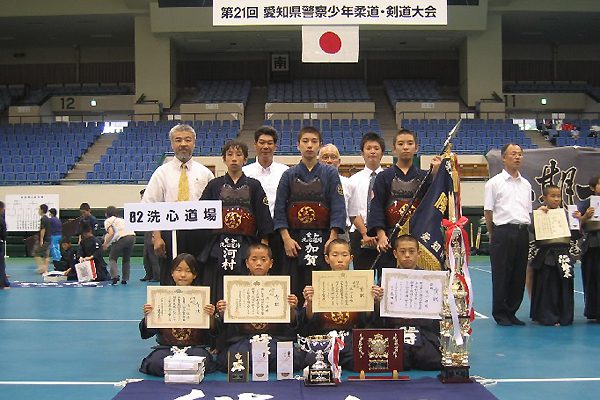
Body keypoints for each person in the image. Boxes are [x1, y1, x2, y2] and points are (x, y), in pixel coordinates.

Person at [273, 126, 347, 302]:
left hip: (322, 238)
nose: (309, 145)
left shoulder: (330, 173)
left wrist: (333, 237)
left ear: (319, 145)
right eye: (305, 141)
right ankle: (296, 324)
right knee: (295, 285)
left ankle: (322, 324)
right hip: (295, 240)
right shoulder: (288, 175)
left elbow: (338, 205)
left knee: (321, 286)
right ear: (298, 145)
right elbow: (279, 209)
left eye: (314, 142)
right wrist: (286, 238)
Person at [199, 139, 273, 303]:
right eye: (230, 154)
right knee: (217, 285)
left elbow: (263, 215)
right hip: (218, 244)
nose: (234, 158)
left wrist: (264, 241)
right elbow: (203, 215)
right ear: (223, 159)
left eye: (239, 155)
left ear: (245, 160)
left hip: (245, 243)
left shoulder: (254, 186)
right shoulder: (214, 185)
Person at [142, 124, 214, 285]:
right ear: (172, 144)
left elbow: (213, 207)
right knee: (170, 277)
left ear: (194, 143)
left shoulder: (205, 173)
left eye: (187, 140)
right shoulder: (161, 173)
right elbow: (150, 205)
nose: (183, 144)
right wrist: (157, 237)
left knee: (199, 276)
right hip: (170, 233)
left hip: (199, 232)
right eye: (178, 140)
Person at [215, 243, 302, 372]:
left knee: (291, 358)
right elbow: (226, 322)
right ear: (247, 263)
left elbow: (293, 322)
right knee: (229, 359)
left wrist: (291, 307)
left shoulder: (280, 286)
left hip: (273, 338)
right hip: (244, 339)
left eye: (263, 259)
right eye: (254, 259)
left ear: (271, 263)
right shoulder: (235, 287)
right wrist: (223, 311)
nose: (259, 263)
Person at [367, 129, 441, 273]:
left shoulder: (425, 177)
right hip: (390, 239)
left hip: (418, 238)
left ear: (416, 148)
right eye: (401, 144)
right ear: (394, 149)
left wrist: (437, 174)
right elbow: (376, 208)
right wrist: (381, 236)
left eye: (409, 143)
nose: (405, 147)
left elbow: (434, 205)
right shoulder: (383, 177)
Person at [301, 239, 380, 371]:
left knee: (365, 361)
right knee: (311, 362)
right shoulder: (318, 283)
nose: (340, 259)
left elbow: (367, 319)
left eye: (344, 255)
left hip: (352, 338)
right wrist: (309, 302)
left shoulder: (360, 283)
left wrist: (373, 300)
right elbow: (309, 320)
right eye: (335, 255)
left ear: (351, 258)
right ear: (327, 258)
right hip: (326, 337)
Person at [140, 253, 219, 376]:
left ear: (194, 275)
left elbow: (214, 332)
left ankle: (176, 368)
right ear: (172, 273)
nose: (183, 275)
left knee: (203, 362)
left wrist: (210, 316)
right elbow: (146, 333)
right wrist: (147, 316)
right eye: (179, 270)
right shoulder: (161, 297)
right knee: (154, 364)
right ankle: (183, 368)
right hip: (167, 348)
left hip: (195, 348)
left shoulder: (202, 297)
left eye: (188, 271)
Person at [372, 234, 442, 370]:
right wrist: (376, 300)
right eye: (402, 252)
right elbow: (378, 317)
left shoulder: (429, 279)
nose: (407, 256)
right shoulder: (386, 279)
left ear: (419, 253)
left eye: (412, 251)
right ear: (395, 254)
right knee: (394, 361)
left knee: (432, 361)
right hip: (395, 330)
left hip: (421, 330)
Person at [484, 143, 532, 326]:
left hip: (521, 232)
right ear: (504, 157)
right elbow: (488, 211)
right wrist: (492, 232)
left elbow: (527, 211)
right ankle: (500, 312)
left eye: (520, 154)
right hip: (502, 231)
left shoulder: (526, 184)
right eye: (513, 154)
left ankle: (512, 311)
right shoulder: (494, 183)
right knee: (502, 274)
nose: (518, 157)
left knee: (518, 274)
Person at [243, 126, 289, 275]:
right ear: (255, 145)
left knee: (278, 270)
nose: (265, 147)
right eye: (261, 142)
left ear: (275, 146)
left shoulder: (285, 172)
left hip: (278, 230)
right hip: (252, 230)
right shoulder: (245, 172)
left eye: (270, 143)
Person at [530, 185, 574, 326]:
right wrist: (540, 215)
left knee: (564, 286)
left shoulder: (566, 214)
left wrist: (579, 219)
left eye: (558, 196)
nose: (556, 199)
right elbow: (532, 229)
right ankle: (548, 316)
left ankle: (564, 316)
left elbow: (576, 233)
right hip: (547, 255)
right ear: (544, 198)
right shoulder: (540, 213)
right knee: (549, 287)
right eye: (553, 196)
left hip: (563, 255)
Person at [348, 132, 385, 271]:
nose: (372, 152)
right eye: (368, 148)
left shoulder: (388, 178)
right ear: (362, 153)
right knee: (362, 278)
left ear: (382, 153)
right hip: (359, 233)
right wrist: (365, 233)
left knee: (384, 276)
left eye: (376, 148)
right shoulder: (353, 180)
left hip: (383, 234)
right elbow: (351, 209)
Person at [574, 175, 600, 322]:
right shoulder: (586, 204)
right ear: (592, 187)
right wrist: (585, 217)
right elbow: (577, 225)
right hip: (592, 244)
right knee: (593, 277)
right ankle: (593, 310)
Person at [318, 144, 352, 240]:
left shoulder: (348, 183)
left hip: (342, 231)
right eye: (325, 157)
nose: (329, 161)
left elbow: (353, 212)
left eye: (333, 157)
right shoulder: (313, 183)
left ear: (339, 161)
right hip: (319, 229)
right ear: (319, 161)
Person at [102, 206, 136, 285]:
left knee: (112, 258)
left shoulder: (108, 221)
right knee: (126, 259)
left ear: (107, 214)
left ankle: (115, 276)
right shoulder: (122, 220)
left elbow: (111, 233)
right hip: (132, 236)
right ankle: (125, 278)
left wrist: (105, 244)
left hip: (121, 238)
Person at [140, 189, 159, 282]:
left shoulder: (154, 207)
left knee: (153, 256)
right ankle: (148, 274)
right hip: (146, 231)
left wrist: (153, 236)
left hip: (152, 231)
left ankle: (157, 275)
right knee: (146, 256)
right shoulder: (144, 207)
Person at [33, 204, 51, 274]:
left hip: (44, 239)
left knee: (36, 252)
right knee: (46, 254)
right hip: (49, 239)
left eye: (39, 209)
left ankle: (41, 267)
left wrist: (41, 240)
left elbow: (43, 229)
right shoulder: (48, 219)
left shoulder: (43, 219)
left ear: (42, 210)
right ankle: (45, 269)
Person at [0, 201, 9, 289]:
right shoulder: (1, 220)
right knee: (1, 264)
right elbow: (3, 233)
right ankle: (2, 284)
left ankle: (4, 279)